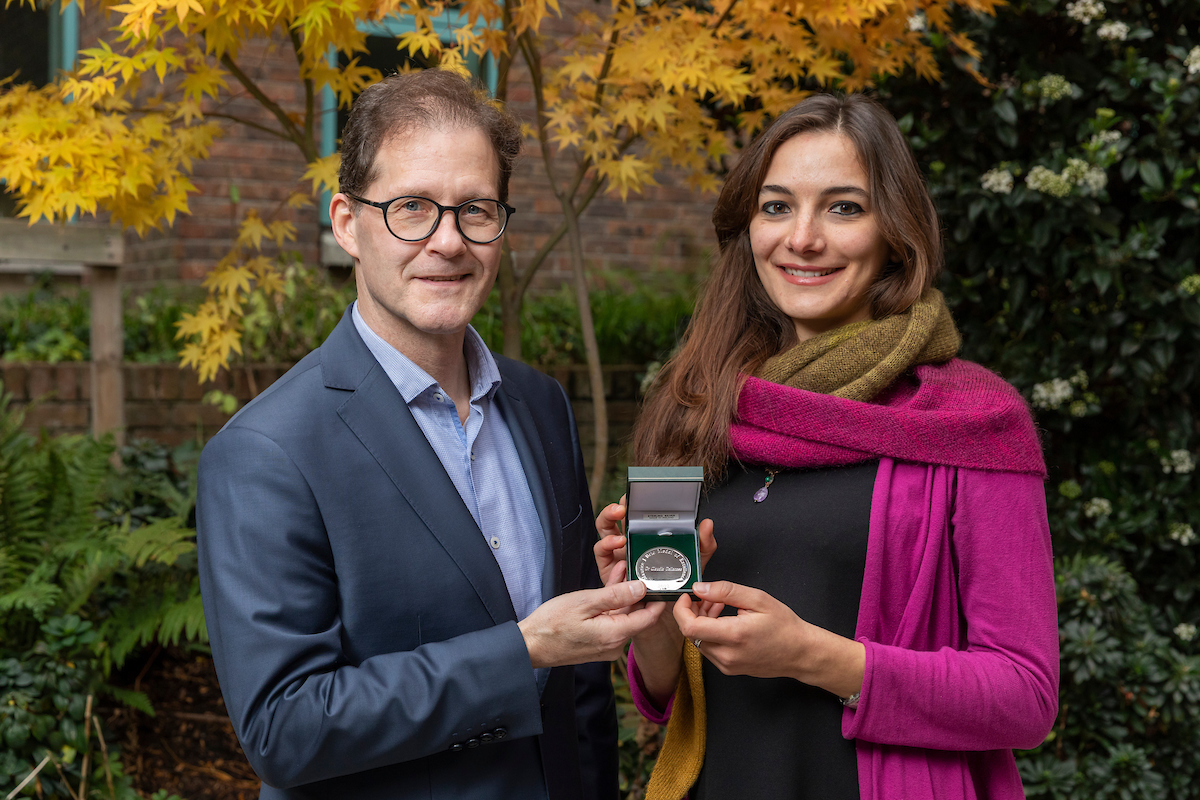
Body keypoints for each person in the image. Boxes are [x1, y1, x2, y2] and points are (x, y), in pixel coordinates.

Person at [196, 70, 664, 800]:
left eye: (476, 209)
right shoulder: (267, 452)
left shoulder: (540, 405)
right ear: (348, 223)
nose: (448, 241)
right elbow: (285, 731)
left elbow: (579, 698)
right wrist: (523, 650)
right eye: (411, 207)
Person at [594, 93, 1059, 800]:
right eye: (777, 207)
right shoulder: (696, 405)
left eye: (843, 208)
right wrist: (652, 622)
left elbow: (1025, 697)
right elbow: (666, 698)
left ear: (895, 232)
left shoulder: (971, 422)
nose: (802, 238)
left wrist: (813, 657)